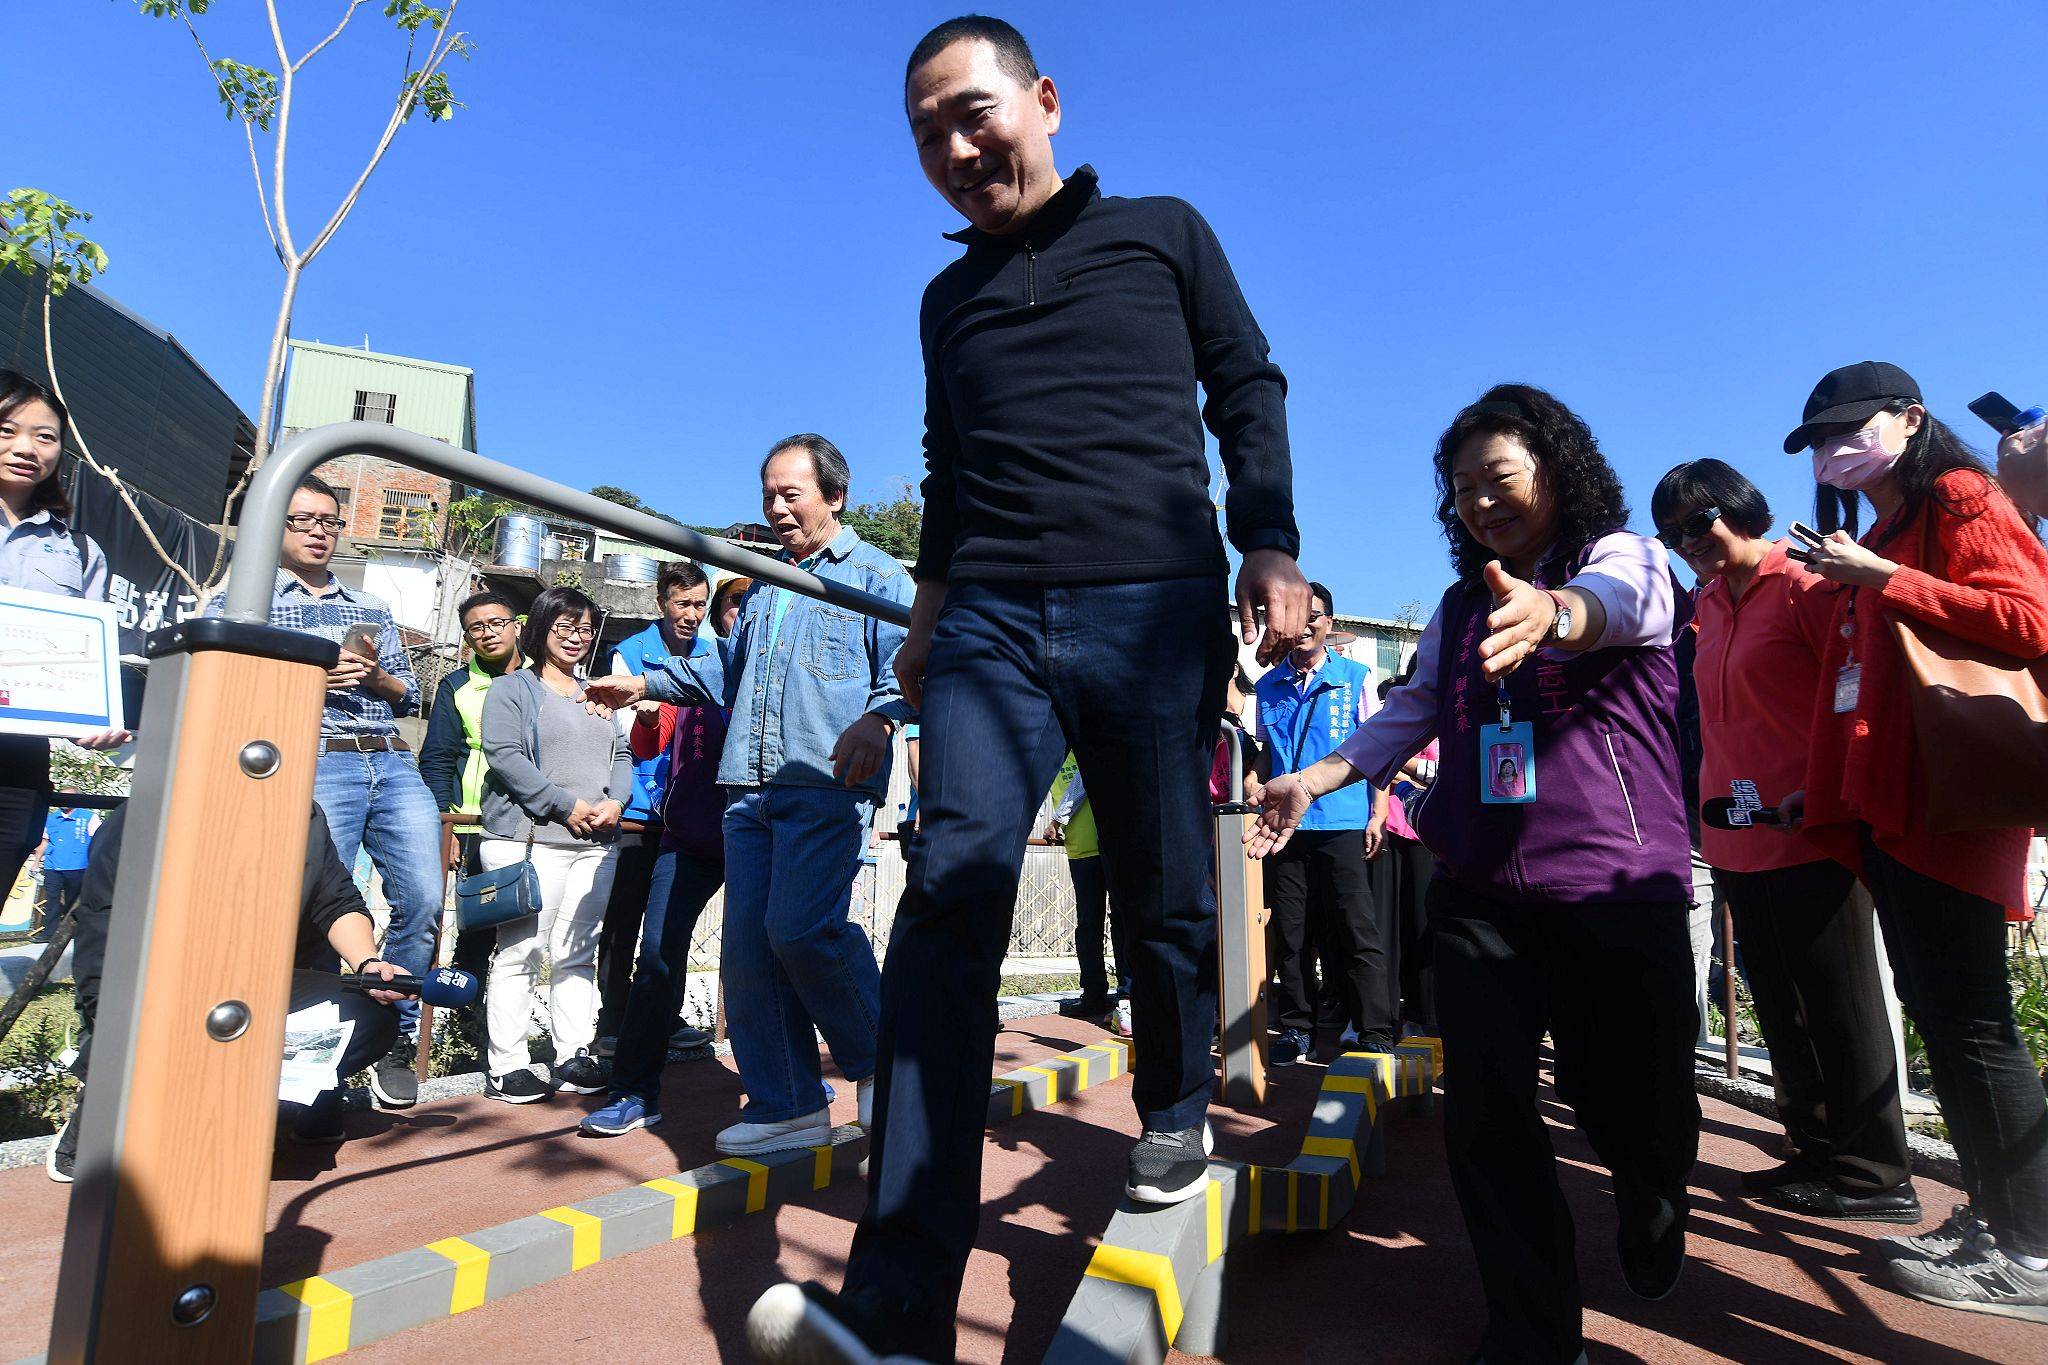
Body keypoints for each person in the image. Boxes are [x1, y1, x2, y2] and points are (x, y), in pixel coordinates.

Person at [743, 19, 1310, 1363]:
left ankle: (1171, 1103)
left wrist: (1271, 538)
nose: (955, 147)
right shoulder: (946, 302)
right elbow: (947, 473)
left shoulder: (1165, 233)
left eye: (975, 113)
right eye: (928, 132)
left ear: (1044, 101)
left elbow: (1248, 383)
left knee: (1170, 891)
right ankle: (896, 1306)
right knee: (948, 904)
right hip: (993, 615)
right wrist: (930, 622)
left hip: (1155, 601)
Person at [1246, 385, 1700, 1365]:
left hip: (1614, 890)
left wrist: (1554, 610)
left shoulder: (1623, 560)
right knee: (1487, 1114)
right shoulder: (1457, 608)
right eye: (1460, 490)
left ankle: (1653, 1182)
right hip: (1482, 892)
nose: (1478, 502)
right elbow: (1407, 711)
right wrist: (1313, 776)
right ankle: (1531, 1336)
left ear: (1555, 468)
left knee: (1628, 1098)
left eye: (1496, 478)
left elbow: (1612, 608)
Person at [1777, 361, 2048, 1320]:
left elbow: (2031, 619)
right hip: (1897, 804)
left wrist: (1886, 578)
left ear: (1911, 418)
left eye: (1852, 427)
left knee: (1973, 1024)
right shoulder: (1882, 527)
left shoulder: (1959, 497)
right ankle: (1997, 1217)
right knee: (1946, 1015)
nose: (1832, 449)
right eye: (1817, 438)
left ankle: (2033, 1249)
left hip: (1955, 800)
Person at [586, 434, 914, 1155]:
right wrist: (643, 682)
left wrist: (880, 717)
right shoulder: (764, 583)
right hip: (747, 792)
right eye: (767, 493)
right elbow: (722, 676)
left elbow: (911, 669)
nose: (775, 506)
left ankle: (884, 1067)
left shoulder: (878, 576)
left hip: (824, 783)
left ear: (836, 495)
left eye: (790, 492)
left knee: (803, 929)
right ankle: (787, 1102)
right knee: (748, 956)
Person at [1654, 457, 1914, 1221]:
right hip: (1734, 834)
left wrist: (1828, 786)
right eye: (1674, 533)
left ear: (1740, 507)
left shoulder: (1804, 581)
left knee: (1841, 1000)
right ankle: (1815, 1147)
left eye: (1700, 520)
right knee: (1781, 1001)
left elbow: (1857, 688)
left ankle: (1875, 1175)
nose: (1690, 540)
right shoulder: (1702, 606)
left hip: (1815, 828)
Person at [210, 472, 439, 1111]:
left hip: (391, 760)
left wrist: (377, 676)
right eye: (302, 519)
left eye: (329, 522)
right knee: (316, 908)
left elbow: (410, 694)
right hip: (312, 759)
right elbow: (215, 684)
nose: (318, 532)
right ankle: (309, 1060)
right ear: (269, 523)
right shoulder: (240, 597)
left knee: (422, 897)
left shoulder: (371, 605)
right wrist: (309, 676)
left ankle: (390, 1034)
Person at [52, 800, 406, 1181]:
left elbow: (336, 900)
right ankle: (111, 1114)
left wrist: (370, 965)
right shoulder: (144, 814)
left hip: (257, 988)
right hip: (167, 993)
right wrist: (112, 1041)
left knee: (367, 1015)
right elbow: (104, 938)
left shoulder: (304, 814)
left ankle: (253, 1116)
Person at [476, 585, 632, 1103]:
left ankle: (573, 1054)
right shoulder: (513, 689)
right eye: (564, 626)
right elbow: (504, 755)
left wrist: (616, 803)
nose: (576, 638)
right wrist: (564, 805)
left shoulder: (599, 692)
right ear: (540, 629)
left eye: (585, 629)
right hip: (529, 841)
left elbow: (624, 756)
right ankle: (508, 1063)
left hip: (595, 841)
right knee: (521, 951)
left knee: (577, 952)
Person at [580, 642, 731, 1137]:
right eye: (736, 605)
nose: (741, 614)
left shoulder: (774, 674)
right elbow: (649, 745)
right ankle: (633, 1092)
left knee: (766, 954)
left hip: (754, 832)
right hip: (686, 835)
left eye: (699, 603)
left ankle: (792, 1083)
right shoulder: (685, 673)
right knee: (657, 956)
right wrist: (646, 719)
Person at [0, 371, 129, 916]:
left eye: (45, 436)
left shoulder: (79, 551)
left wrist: (89, 720)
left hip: (17, 760)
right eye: (8, 429)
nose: (26, 447)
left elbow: (83, 661)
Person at [1250, 581, 1390, 1063]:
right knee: (1291, 932)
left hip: (1345, 820)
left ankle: (1374, 1026)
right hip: (1286, 827)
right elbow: (1266, 754)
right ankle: (1295, 1027)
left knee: (1356, 927)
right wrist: (1253, 784)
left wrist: (1379, 810)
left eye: (1316, 616)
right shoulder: (1267, 686)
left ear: (1329, 623)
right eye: (1298, 615)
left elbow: (1380, 748)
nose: (1307, 624)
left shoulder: (1357, 676)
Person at [595, 560, 714, 1054]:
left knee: (671, 922)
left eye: (700, 604)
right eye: (682, 603)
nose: (692, 614)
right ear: (661, 602)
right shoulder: (629, 654)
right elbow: (623, 738)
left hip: (690, 810)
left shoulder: (714, 656)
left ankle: (666, 1018)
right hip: (639, 810)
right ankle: (612, 1021)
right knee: (624, 919)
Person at [418, 588, 525, 990]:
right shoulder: (456, 687)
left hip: (535, 825)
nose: (488, 633)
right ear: (467, 639)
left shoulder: (544, 677)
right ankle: (464, 1023)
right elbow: (437, 759)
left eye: (496, 623)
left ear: (515, 626)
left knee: (530, 931)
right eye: (476, 628)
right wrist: (445, 827)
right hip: (474, 826)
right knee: (476, 930)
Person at [1367, 681, 1438, 1036]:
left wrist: (1403, 766)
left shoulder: (1441, 723)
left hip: (1427, 835)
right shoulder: (1393, 725)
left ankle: (1425, 1015)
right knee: (1386, 927)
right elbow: (1380, 771)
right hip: (1390, 832)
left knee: (1423, 925)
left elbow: (1437, 775)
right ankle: (1382, 1017)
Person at [1046, 752, 1130, 1029]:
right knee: (1088, 924)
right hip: (1079, 847)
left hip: (1108, 841)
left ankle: (1126, 997)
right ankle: (1094, 994)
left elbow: (1081, 782)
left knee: (1120, 921)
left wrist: (1057, 819)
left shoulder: (1079, 739)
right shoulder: (1047, 752)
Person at [34, 805, 95, 943]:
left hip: (78, 865)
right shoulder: (51, 818)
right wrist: (36, 861)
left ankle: (72, 932)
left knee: (73, 901)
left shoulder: (88, 817)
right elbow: (44, 842)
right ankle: (48, 933)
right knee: (51, 900)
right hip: (53, 865)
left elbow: (97, 840)